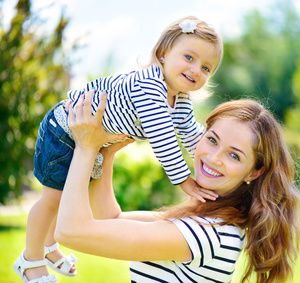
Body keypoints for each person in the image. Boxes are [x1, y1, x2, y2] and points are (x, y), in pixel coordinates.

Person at [14, 16, 222, 283]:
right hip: (65, 130)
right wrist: (186, 182)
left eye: (206, 68)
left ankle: (49, 247)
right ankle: (30, 260)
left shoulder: (179, 99)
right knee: (53, 199)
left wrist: (210, 159)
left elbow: (190, 133)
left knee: (65, 197)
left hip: (88, 140)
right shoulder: (150, 87)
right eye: (189, 58)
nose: (196, 70)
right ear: (163, 53)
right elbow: (163, 139)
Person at [53, 91, 300, 282]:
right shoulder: (205, 218)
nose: (214, 157)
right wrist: (105, 154)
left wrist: (86, 147)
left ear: (255, 171)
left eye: (234, 155)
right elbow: (109, 218)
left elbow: (70, 232)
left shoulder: (209, 232)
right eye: (212, 139)